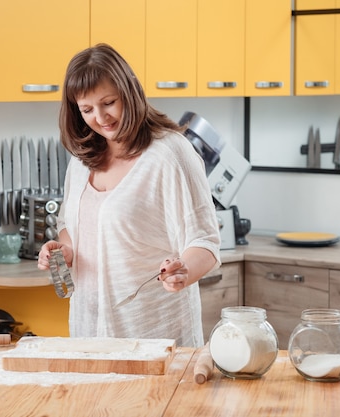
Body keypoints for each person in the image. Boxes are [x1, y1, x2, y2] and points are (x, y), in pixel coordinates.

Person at [37, 44, 221, 347]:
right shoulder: (81, 161)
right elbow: (72, 228)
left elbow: (205, 243)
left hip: (153, 334)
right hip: (88, 331)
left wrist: (182, 273)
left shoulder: (169, 154)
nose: (100, 117)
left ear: (129, 91)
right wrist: (65, 251)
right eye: (87, 110)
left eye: (109, 102)